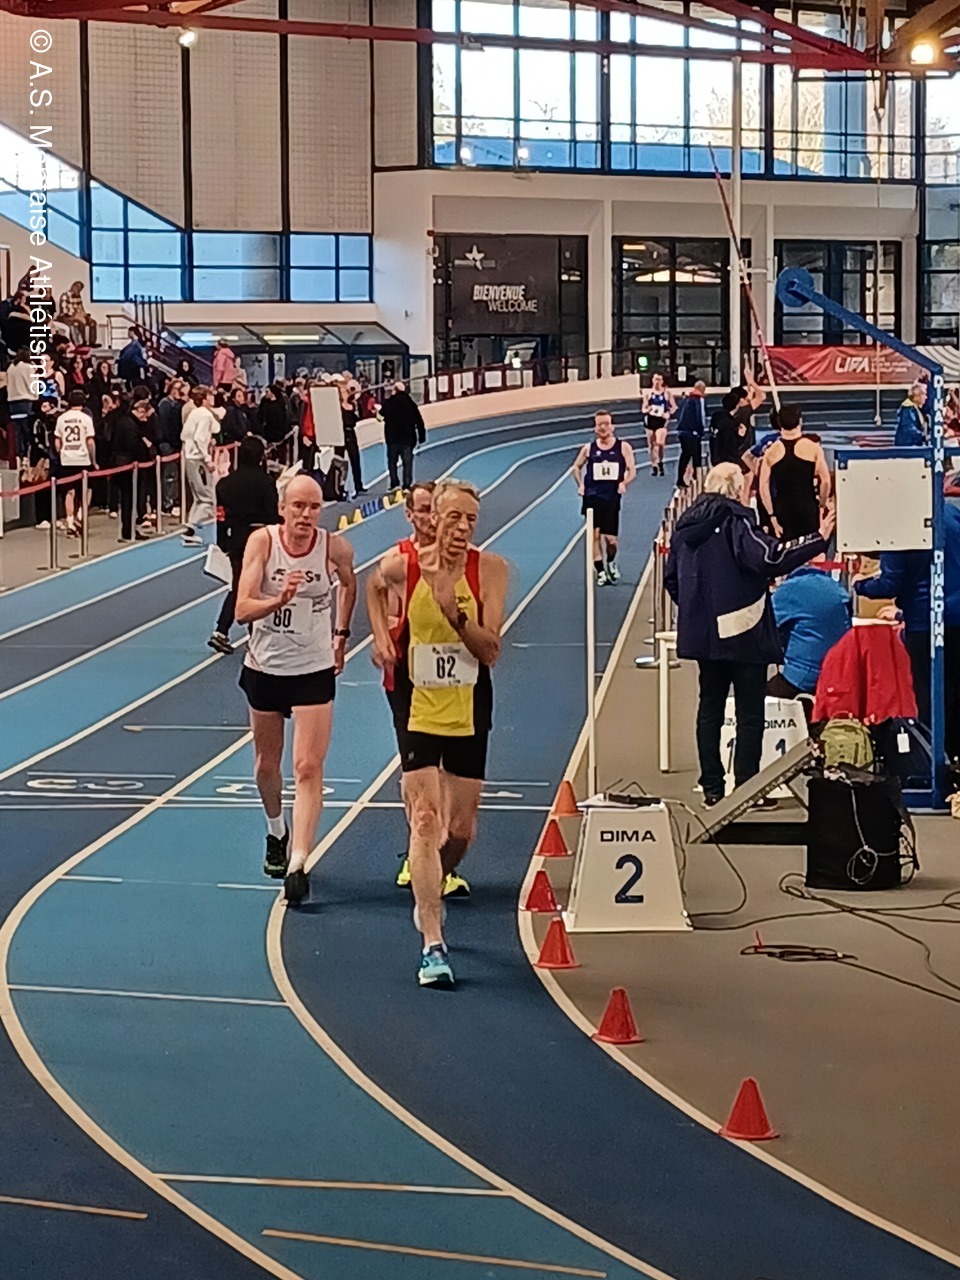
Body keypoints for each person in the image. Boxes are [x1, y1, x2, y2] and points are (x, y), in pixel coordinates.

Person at [367, 480, 509, 987]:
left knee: (460, 832)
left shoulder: (490, 570)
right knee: (425, 820)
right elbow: (372, 585)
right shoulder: (405, 566)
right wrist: (381, 638)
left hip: (469, 705)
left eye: (471, 519)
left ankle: (435, 876)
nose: (463, 527)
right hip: (417, 704)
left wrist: (453, 611)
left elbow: (490, 651)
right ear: (433, 518)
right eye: (454, 517)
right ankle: (432, 941)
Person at [665, 462, 832, 806]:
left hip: (704, 637)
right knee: (750, 712)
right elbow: (771, 558)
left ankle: (712, 788)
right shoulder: (736, 521)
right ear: (738, 489)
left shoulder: (684, 528)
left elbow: (671, 579)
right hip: (743, 631)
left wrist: (698, 612)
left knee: (709, 708)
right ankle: (747, 788)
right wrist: (818, 539)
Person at [235, 471, 356, 905]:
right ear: (282, 509)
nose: (306, 515)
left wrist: (340, 635)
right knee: (267, 766)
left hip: (313, 670)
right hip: (266, 668)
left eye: (314, 507)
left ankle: (299, 862)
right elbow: (242, 609)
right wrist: (279, 601)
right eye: (298, 506)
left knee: (307, 767)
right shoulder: (262, 543)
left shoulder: (335, 548)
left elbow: (350, 583)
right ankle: (276, 831)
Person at [379, 483, 467, 897]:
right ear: (411, 515)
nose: (432, 519)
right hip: (408, 681)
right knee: (418, 774)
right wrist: (383, 638)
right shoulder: (399, 560)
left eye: (438, 511)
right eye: (425, 510)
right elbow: (377, 598)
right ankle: (417, 848)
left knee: (449, 774)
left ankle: (437, 857)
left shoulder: (463, 561)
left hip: (455, 684)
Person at [855, 500, 960, 764]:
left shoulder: (901, 523)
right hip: (956, 615)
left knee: (930, 697)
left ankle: (936, 763)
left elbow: (890, 584)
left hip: (925, 622)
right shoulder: (951, 513)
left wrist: (861, 585)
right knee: (955, 693)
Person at [209, 436, 279, 655]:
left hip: (236, 540)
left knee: (240, 585)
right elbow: (272, 515)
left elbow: (220, 516)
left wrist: (222, 541)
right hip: (261, 540)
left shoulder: (224, 484)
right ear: (260, 457)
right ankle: (254, 634)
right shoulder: (266, 482)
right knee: (260, 587)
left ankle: (222, 630)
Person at [769, 560, 852, 700]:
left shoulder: (789, 590)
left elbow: (766, 626)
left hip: (803, 676)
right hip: (836, 674)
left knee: (756, 700)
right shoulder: (835, 587)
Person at [572, 410, 637, 587]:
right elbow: (576, 467)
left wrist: (624, 483)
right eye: (599, 424)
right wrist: (581, 485)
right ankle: (600, 571)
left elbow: (632, 470)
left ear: (612, 426)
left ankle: (611, 562)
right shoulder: (589, 449)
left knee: (611, 540)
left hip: (611, 497)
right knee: (594, 536)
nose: (603, 427)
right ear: (595, 427)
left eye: (606, 424)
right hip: (592, 497)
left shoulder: (623, 447)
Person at [758, 403, 831, 541]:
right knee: (809, 549)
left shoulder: (772, 452)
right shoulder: (813, 448)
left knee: (786, 550)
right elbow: (825, 481)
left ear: (779, 423)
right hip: (807, 507)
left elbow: (763, 487)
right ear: (800, 421)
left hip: (783, 510)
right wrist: (821, 505)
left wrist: (772, 515)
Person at [110, 397, 155, 542]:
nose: (145, 418)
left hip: (128, 464)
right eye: (144, 414)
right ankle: (127, 530)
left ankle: (129, 529)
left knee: (130, 499)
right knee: (128, 499)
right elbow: (133, 444)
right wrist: (145, 446)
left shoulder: (129, 423)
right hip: (128, 466)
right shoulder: (129, 425)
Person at [54, 389, 97, 537]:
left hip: (67, 459)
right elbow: (90, 442)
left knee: (69, 491)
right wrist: (94, 460)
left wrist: (61, 454)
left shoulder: (62, 418)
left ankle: (70, 521)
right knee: (86, 489)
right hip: (83, 458)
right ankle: (81, 513)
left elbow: (57, 442)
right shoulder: (86, 419)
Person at [181, 385, 218, 547]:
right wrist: (207, 458)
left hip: (190, 457)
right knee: (206, 499)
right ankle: (190, 528)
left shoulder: (195, 414)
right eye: (210, 395)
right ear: (203, 399)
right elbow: (199, 438)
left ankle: (191, 529)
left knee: (199, 497)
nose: (213, 398)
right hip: (197, 459)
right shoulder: (204, 415)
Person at [709, 372, 765, 467]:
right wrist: (751, 381)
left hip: (718, 459)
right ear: (741, 401)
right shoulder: (742, 413)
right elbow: (762, 396)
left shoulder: (717, 416)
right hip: (738, 459)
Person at [381, 380, 426, 491]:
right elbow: (419, 421)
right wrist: (422, 437)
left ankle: (394, 483)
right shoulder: (410, 404)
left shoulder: (389, 403)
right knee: (407, 462)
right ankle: (407, 484)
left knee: (392, 462)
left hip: (392, 438)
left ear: (395, 390)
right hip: (407, 438)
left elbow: (380, 415)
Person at [641, 373, 676, 477]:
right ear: (652, 380)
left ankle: (660, 461)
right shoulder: (648, 394)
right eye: (655, 379)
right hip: (650, 420)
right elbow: (643, 409)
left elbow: (674, 407)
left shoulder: (667, 393)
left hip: (661, 421)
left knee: (660, 443)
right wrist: (649, 409)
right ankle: (654, 465)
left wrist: (668, 414)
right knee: (651, 445)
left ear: (662, 381)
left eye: (659, 380)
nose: (657, 382)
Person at [674, 380, 707, 489]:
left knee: (685, 455)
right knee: (696, 456)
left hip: (683, 431)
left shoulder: (685, 399)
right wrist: (700, 431)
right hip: (693, 432)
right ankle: (697, 478)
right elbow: (699, 416)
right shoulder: (698, 400)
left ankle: (680, 479)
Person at [6, 347, 36, 463]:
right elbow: (33, 385)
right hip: (26, 401)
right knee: (27, 432)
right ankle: (27, 458)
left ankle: (19, 456)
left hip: (13, 403)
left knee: (17, 432)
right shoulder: (29, 367)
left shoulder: (11, 368)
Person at [56, 281, 97, 347]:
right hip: (67, 316)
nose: (79, 290)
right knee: (80, 323)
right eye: (78, 288)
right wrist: (76, 315)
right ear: (73, 287)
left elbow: (81, 308)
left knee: (93, 322)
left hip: (78, 315)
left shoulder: (78, 296)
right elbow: (65, 311)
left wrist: (85, 315)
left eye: (80, 289)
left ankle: (92, 343)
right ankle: (82, 342)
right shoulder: (65, 296)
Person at [895, 382, 928, 447]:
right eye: (924, 394)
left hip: (912, 445)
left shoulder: (915, 408)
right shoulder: (908, 409)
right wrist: (923, 436)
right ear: (916, 395)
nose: (926, 397)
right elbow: (909, 427)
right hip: (907, 446)